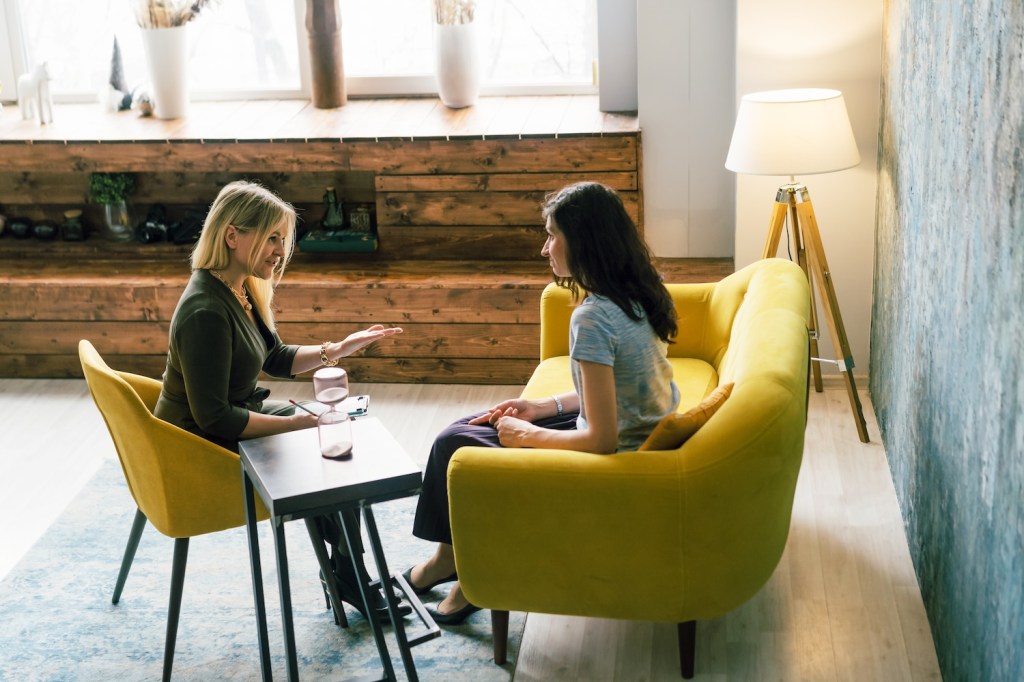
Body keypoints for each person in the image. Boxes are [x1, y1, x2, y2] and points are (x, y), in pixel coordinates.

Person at [404, 181, 681, 625]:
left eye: (553, 236)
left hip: (613, 459)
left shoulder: (591, 317)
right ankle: (449, 561)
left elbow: (603, 439)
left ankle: (463, 570)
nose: (544, 249)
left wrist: (529, 435)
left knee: (453, 443)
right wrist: (541, 408)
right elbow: (617, 387)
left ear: (584, 242)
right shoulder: (637, 293)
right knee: (467, 427)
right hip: (639, 430)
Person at [153, 180, 407, 623]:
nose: (281, 250)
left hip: (233, 418)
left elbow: (273, 357)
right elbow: (213, 417)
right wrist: (300, 426)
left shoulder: (238, 287)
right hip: (198, 447)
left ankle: (348, 569)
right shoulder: (205, 311)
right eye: (272, 237)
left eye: (282, 239)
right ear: (233, 236)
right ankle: (350, 573)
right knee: (329, 447)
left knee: (337, 442)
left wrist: (340, 347)